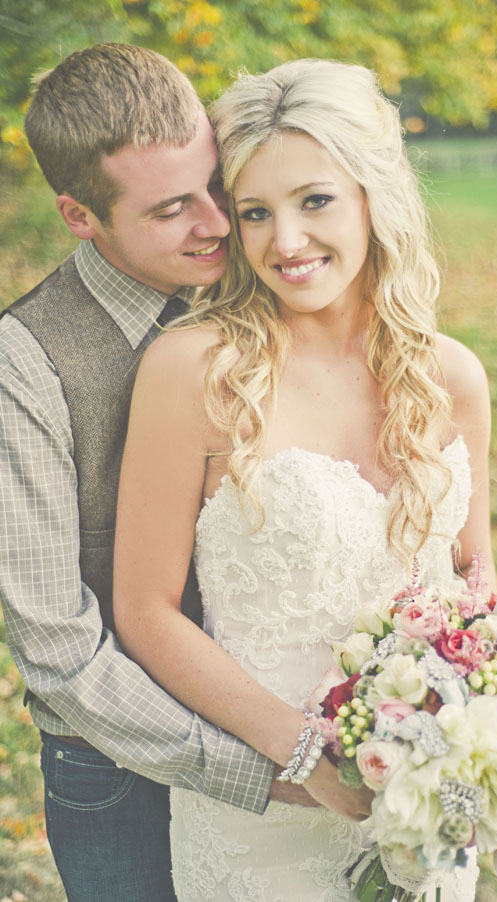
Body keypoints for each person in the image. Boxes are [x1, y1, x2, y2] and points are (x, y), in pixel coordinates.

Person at [112, 58, 497, 901]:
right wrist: (304, 757)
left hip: (427, 801)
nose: (285, 242)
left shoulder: (453, 378)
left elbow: (472, 584)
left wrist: (492, 742)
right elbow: (144, 611)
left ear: (373, 195)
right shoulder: (194, 372)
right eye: (256, 213)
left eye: (314, 200)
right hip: (261, 822)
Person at [0, 43, 331, 902]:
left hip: (303, 723)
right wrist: (267, 773)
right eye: (173, 208)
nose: (218, 223)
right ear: (81, 216)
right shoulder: (24, 363)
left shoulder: (265, 283)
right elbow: (60, 653)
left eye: (216, 186)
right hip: (123, 772)